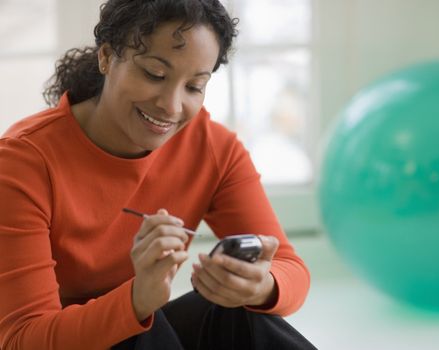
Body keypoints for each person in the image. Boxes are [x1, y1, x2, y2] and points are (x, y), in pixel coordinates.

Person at [0, 0, 316, 349]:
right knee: (137, 331)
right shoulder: (22, 162)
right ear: (106, 57)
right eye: (155, 74)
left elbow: (290, 268)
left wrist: (261, 285)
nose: (171, 106)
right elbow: (21, 339)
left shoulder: (212, 149)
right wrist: (135, 301)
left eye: (194, 86)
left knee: (240, 312)